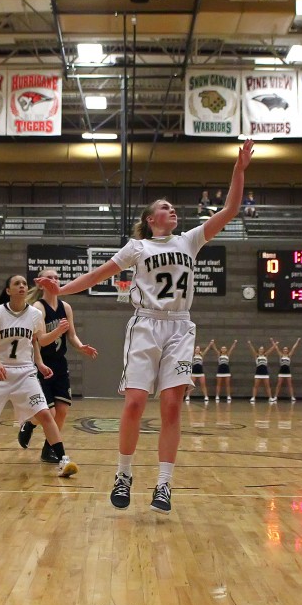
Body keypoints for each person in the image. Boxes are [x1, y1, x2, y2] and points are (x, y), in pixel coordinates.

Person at [37, 140, 254, 514]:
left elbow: (231, 209)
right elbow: (97, 275)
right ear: (152, 218)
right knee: (135, 402)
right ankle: (123, 475)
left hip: (180, 327)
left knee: (172, 406)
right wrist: (62, 289)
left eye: (173, 207)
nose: (173, 210)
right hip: (146, 325)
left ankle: (165, 484)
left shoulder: (191, 240)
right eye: (165, 207)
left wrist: (239, 168)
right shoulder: (136, 248)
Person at [0, 274, 78, 478]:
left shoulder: (34, 314)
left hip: (25, 372)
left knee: (45, 414)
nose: (22, 286)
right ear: (8, 291)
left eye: (24, 283)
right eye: (17, 284)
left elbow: (39, 341)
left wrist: (54, 338)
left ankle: (63, 459)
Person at [18, 267, 98, 462]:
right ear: (41, 283)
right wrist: (58, 331)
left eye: (56, 277)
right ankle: (29, 424)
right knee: (49, 411)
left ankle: (49, 449)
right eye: (49, 277)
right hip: (41, 365)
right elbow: (42, 340)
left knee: (62, 411)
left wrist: (80, 346)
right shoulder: (38, 308)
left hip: (60, 365)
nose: (54, 280)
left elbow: (71, 335)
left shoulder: (66, 307)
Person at [270, 337, 301, 403]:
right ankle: (275, 397)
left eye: (286, 349)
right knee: (279, 384)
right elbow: (276, 348)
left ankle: (292, 397)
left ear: (287, 350)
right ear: (283, 350)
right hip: (281, 371)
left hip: (288, 372)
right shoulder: (281, 355)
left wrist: (297, 341)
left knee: (290, 385)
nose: (285, 350)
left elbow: (293, 348)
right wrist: (272, 341)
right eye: (284, 349)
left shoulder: (289, 356)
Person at [247, 340, 273, 404]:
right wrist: (250, 344)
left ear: (264, 350)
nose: (261, 350)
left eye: (262, 349)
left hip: (265, 373)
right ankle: (253, 397)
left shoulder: (265, 356)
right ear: (258, 350)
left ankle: (270, 397)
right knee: (256, 386)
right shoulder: (256, 356)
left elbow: (271, 350)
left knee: (267, 386)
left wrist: (274, 344)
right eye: (260, 349)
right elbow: (252, 350)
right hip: (258, 373)